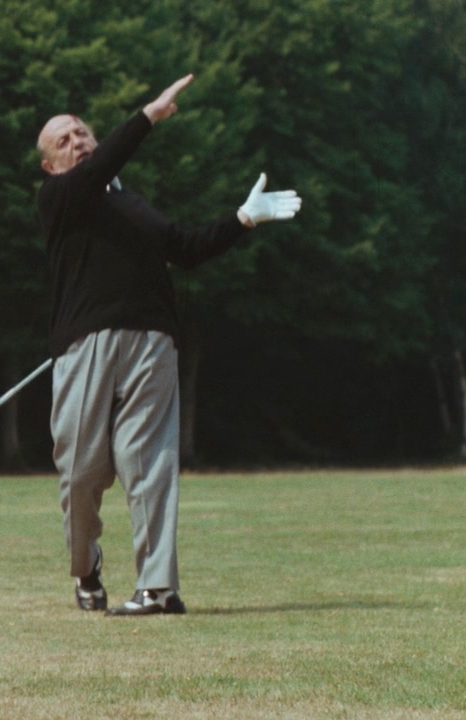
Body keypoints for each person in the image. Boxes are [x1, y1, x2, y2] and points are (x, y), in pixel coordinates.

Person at [36, 73, 301, 616]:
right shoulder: (60, 196)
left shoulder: (131, 203)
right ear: (49, 165)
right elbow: (97, 172)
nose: (78, 141)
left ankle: (157, 587)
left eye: (82, 132)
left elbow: (185, 249)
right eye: (63, 140)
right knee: (83, 471)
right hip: (87, 344)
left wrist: (243, 218)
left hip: (154, 340)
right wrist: (148, 116)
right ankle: (85, 566)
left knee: (149, 461)